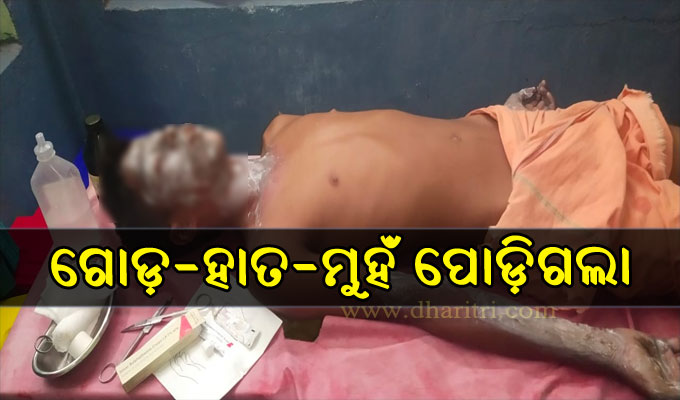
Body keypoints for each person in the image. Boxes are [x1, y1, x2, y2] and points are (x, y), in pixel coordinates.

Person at [100, 81, 680, 398]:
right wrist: (608, 349)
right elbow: (420, 298)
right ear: (183, 223)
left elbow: (405, 157)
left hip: (537, 130)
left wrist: (504, 114)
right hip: (554, 208)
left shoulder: (279, 130)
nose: (181, 132)